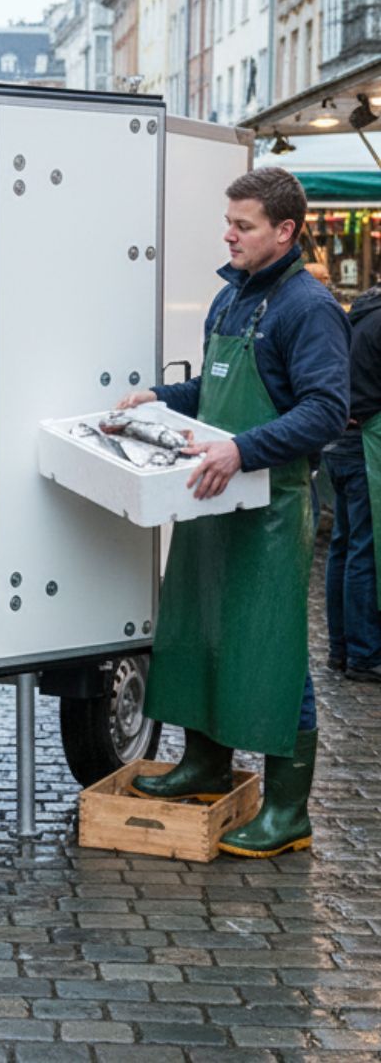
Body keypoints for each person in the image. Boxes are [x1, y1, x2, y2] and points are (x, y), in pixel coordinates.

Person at [118, 167, 350, 858]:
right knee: (202, 636)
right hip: (211, 503)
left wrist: (244, 451)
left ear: (285, 231)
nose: (230, 234)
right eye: (230, 222)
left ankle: (288, 811)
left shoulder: (307, 308)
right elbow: (210, 391)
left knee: (275, 656)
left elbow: (325, 411)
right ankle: (205, 766)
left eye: (243, 225)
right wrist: (158, 399)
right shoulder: (230, 299)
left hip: (271, 513)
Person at [324, 285, 381, 680]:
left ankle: (340, 649)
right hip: (364, 442)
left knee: (342, 545)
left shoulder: (357, 315)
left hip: (337, 440)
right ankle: (365, 654)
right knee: (365, 546)